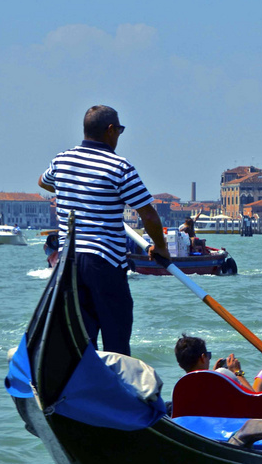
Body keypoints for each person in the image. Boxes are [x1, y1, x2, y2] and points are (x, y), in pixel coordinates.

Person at [39, 105, 168, 355]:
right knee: (116, 337)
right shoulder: (119, 167)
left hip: (69, 264)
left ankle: (85, 388)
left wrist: (76, 193)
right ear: (110, 130)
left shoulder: (61, 160)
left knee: (82, 338)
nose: (119, 136)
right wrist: (160, 248)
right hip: (104, 261)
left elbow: (43, 181)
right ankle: (117, 390)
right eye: (119, 130)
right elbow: (149, 215)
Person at [175, 334, 253, 390]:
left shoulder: (179, 387)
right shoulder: (223, 374)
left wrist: (213, 374)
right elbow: (254, 400)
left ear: (180, 366)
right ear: (202, 358)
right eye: (208, 355)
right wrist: (238, 372)